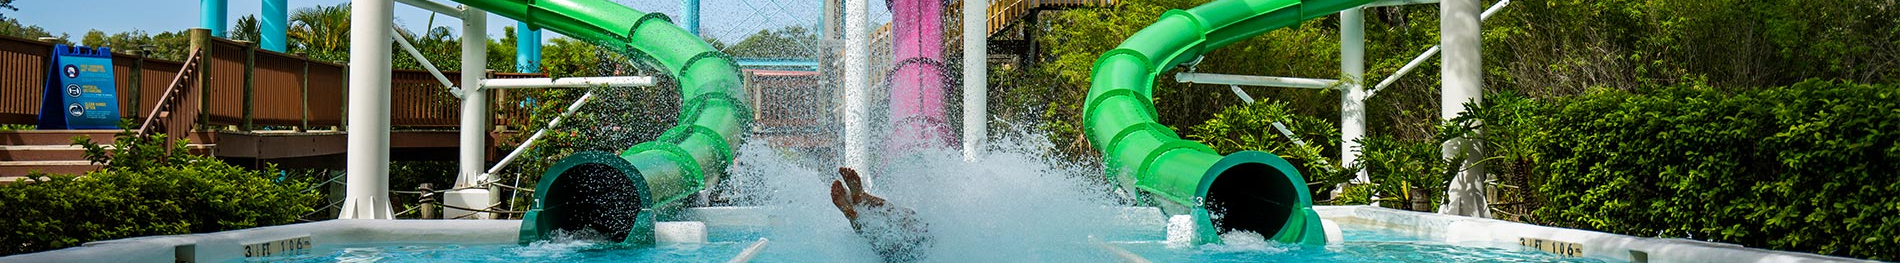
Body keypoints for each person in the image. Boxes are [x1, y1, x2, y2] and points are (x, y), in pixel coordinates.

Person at [830, 167, 932, 262]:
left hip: (922, 239)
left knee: (900, 215)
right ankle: (853, 215)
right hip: (909, 254)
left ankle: (862, 199)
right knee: (879, 242)